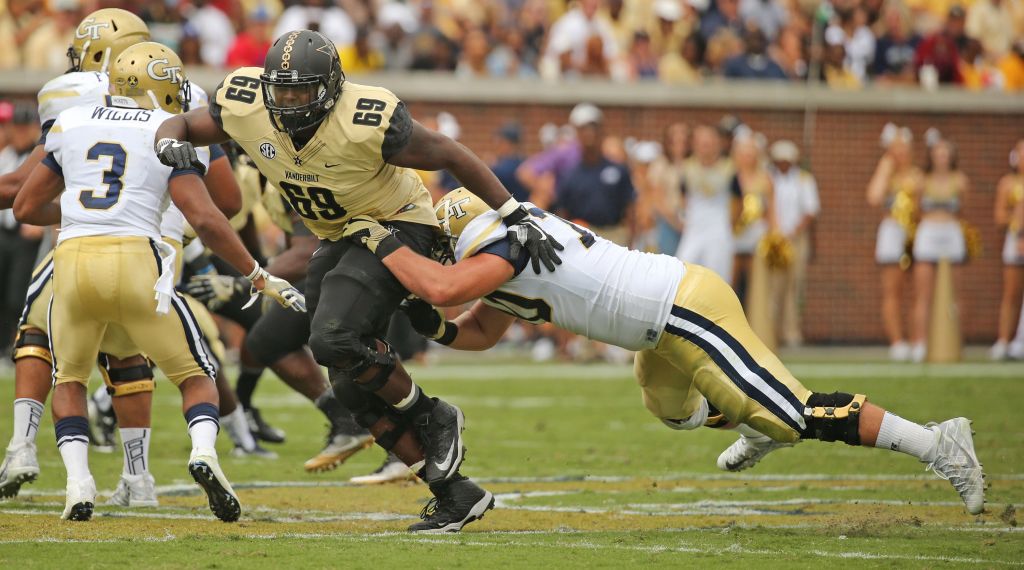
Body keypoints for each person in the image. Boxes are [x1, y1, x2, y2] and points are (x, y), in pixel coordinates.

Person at [340, 188, 986, 517]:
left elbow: (448, 286)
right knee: (671, 409)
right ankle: (748, 414)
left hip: (681, 307)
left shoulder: (494, 248)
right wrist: (441, 329)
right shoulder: (495, 254)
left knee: (790, 416)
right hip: (651, 330)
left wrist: (392, 263)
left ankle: (937, 444)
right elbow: (480, 328)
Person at [153, 29, 562, 532]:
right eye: (281, 90)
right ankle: (456, 494)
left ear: (328, 89)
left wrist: (514, 213)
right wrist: (167, 142)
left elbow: (452, 154)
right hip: (342, 237)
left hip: (400, 225)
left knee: (331, 337)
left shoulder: (366, 118)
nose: (288, 101)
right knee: (347, 386)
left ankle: (434, 415)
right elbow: (181, 125)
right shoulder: (245, 102)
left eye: (301, 92)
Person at [12, 41, 303, 522]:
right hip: (138, 261)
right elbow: (208, 216)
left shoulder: (71, 122)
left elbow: (24, 207)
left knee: (70, 378)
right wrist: (257, 274)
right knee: (197, 375)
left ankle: (78, 482)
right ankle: (205, 454)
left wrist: (77, 212)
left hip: (74, 260)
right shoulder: (165, 132)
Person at [0, 8, 159, 502]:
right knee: (130, 357)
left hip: (87, 242)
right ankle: (138, 479)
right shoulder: (167, 92)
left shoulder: (74, 98)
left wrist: (67, 206)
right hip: (153, 249)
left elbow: (21, 189)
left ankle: (22, 447)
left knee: (36, 334)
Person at [908, 136, 968, 363]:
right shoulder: (922, 180)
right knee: (923, 293)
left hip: (951, 232)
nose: (942, 157)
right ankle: (919, 343)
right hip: (928, 232)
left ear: (952, 156)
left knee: (955, 292)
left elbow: (964, 208)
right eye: (938, 152)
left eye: (946, 153)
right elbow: (915, 210)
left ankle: (955, 341)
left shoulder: (960, 180)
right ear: (931, 156)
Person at [866, 124, 922, 361]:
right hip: (891, 232)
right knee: (892, 290)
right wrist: (884, 168)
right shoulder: (887, 173)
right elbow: (874, 197)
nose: (899, 153)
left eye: (903, 148)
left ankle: (918, 339)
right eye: (894, 149)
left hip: (915, 232)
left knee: (917, 289)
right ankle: (897, 342)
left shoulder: (917, 175)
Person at [553, 108, 635, 246]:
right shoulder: (569, 175)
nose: (589, 134)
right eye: (584, 130)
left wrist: (631, 241)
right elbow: (562, 213)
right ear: (578, 135)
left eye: (593, 128)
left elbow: (630, 210)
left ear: (601, 132)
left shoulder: (618, 169)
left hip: (614, 235)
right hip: (582, 236)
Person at [768, 140, 819, 348]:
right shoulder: (768, 177)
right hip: (773, 239)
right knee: (774, 286)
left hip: (796, 239)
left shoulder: (804, 179)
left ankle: (792, 332)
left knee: (794, 286)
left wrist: (793, 232)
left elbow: (810, 210)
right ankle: (772, 331)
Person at [0, 104, 42, 353]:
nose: (21, 133)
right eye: (17, 127)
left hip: (25, 235)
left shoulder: (37, 159)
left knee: (18, 294)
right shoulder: (4, 156)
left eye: (26, 127)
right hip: (2, 233)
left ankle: (11, 345)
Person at [675, 124, 738, 283]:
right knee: (683, 273)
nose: (705, 146)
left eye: (709, 142)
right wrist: (683, 219)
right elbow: (683, 196)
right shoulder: (687, 168)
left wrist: (729, 225)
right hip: (694, 229)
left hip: (719, 230)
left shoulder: (729, 168)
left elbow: (738, 201)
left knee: (718, 278)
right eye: (701, 142)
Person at [730, 131, 774, 302]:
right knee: (730, 279)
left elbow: (771, 210)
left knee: (754, 284)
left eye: (751, 152)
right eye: (744, 152)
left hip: (757, 235)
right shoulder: (731, 176)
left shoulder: (765, 178)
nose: (747, 157)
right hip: (733, 234)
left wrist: (774, 235)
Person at [991, 139, 1024, 360]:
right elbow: (1000, 217)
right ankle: (1004, 340)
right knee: (1011, 293)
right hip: (1016, 239)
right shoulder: (1008, 183)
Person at [646, 122, 689, 255]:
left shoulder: (692, 164)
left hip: (691, 222)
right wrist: (677, 223)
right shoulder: (660, 164)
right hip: (668, 222)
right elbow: (657, 199)